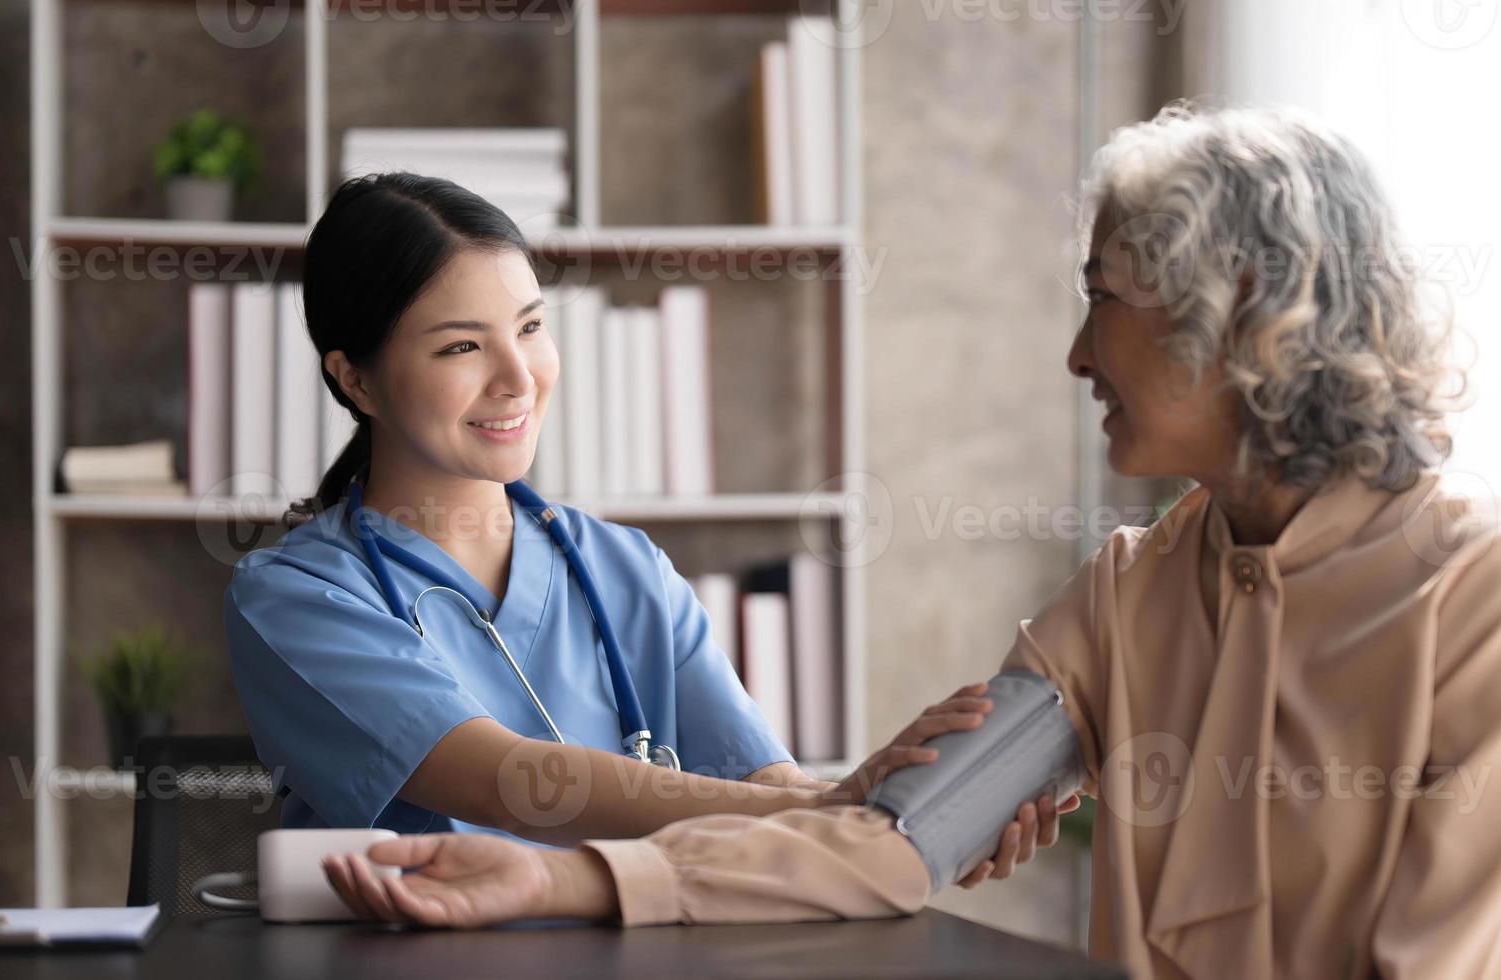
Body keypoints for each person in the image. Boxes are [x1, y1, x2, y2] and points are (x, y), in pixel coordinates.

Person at [321, 106, 1501, 980]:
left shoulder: (1493, 602)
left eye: (1104, 301)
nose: (1077, 352)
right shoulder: (1132, 594)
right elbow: (895, 838)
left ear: (1236, 320)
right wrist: (562, 879)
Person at [225, 172, 1064, 878]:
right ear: (357, 380)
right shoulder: (295, 597)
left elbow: (765, 782)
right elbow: (508, 781)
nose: (520, 378)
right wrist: (836, 804)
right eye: (460, 348)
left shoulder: (622, 567)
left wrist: (915, 817)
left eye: (530, 328)